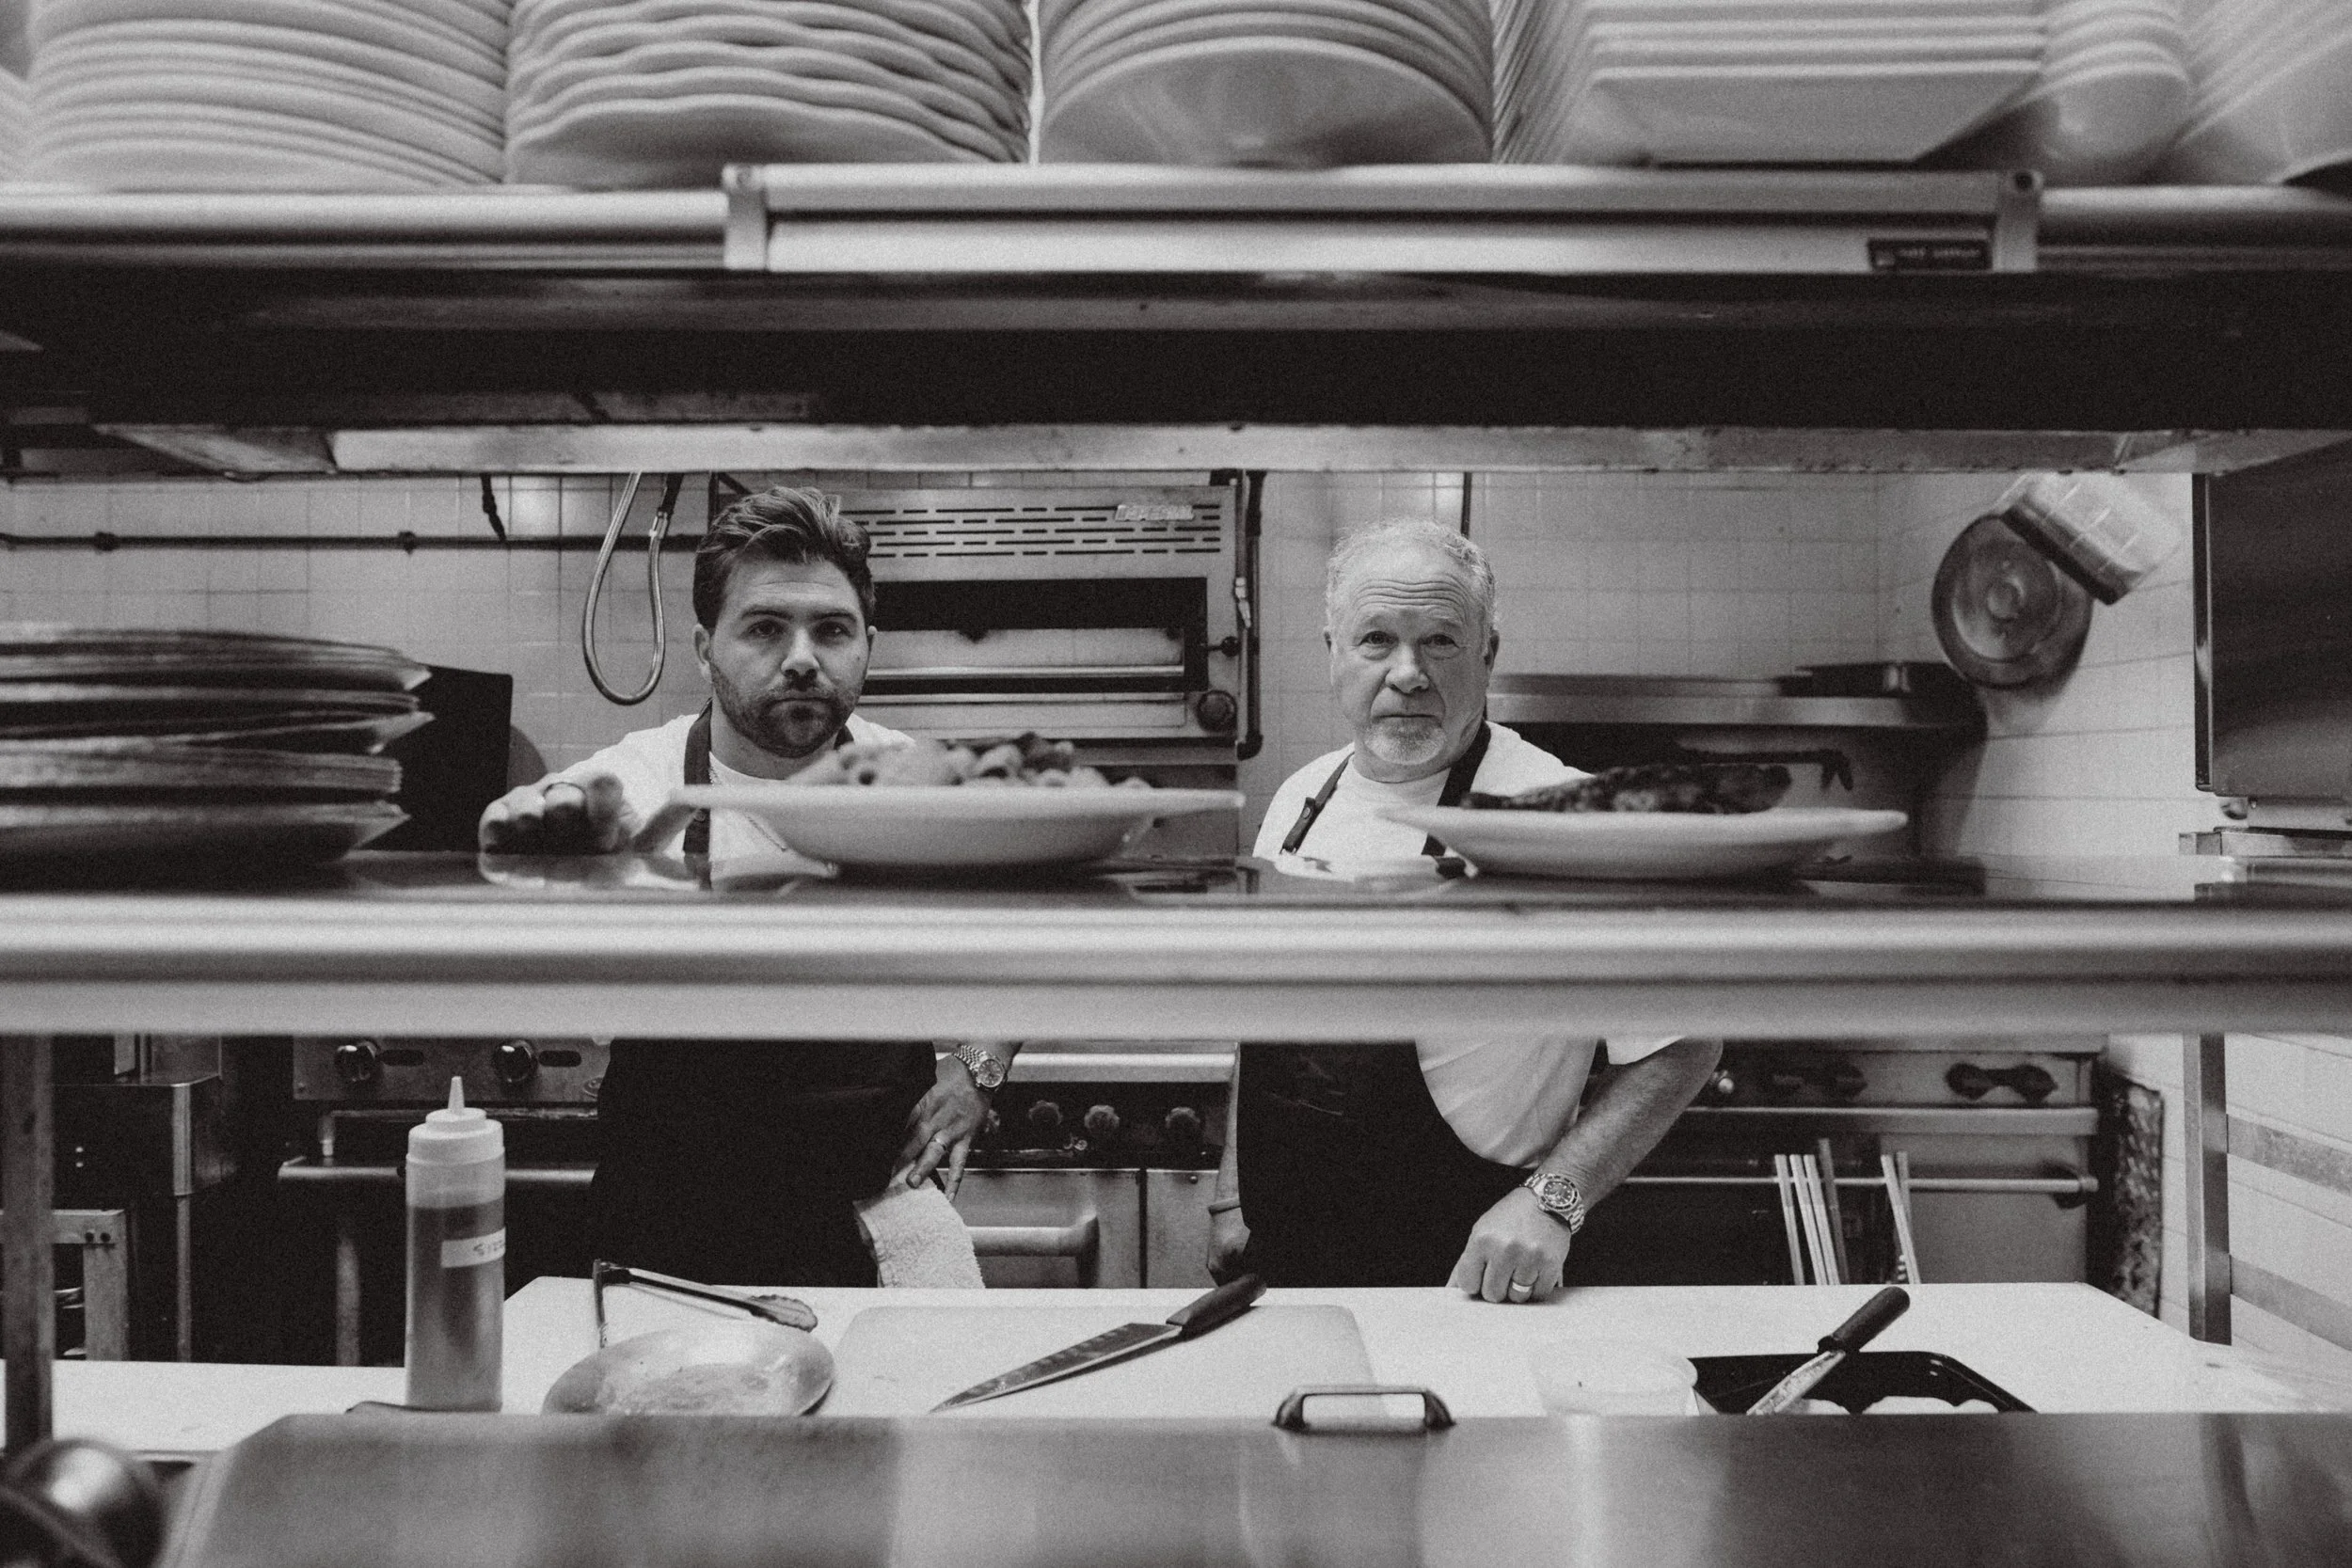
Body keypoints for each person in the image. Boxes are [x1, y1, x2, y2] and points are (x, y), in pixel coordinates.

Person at [479, 484, 1012, 1284]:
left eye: (831, 629)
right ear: (703, 648)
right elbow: (542, 846)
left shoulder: (919, 787)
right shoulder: (643, 776)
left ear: (868, 642)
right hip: (666, 1234)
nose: (802, 656)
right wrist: (542, 840)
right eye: (765, 628)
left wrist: (977, 1064)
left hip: (872, 1214)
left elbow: (1029, 914)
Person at [1209, 518, 1722, 1303]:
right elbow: (1267, 1018)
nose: (1408, 673)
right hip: (1286, 1262)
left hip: (1468, 1265)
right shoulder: (1298, 799)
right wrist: (1229, 1191)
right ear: (1332, 653)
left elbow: (1684, 1044)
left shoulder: (1555, 814)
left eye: (1442, 642)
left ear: (1488, 654)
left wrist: (1556, 1200)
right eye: (1376, 639)